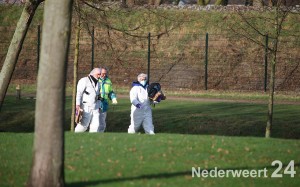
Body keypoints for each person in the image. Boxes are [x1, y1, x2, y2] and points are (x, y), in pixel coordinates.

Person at [75, 68, 101, 133]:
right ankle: (75, 136)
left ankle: (93, 140)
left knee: (96, 125)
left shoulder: (99, 83)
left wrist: (99, 105)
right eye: (98, 74)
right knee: (84, 125)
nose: (99, 76)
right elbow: (79, 93)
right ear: (93, 73)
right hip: (86, 106)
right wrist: (77, 104)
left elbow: (98, 96)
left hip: (95, 107)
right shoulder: (84, 80)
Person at [98, 67, 117, 132]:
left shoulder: (108, 81)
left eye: (105, 73)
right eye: (103, 73)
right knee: (95, 120)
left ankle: (100, 134)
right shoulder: (96, 80)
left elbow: (110, 92)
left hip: (104, 103)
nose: (104, 75)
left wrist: (113, 98)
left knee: (102, 121)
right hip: (96, 102)